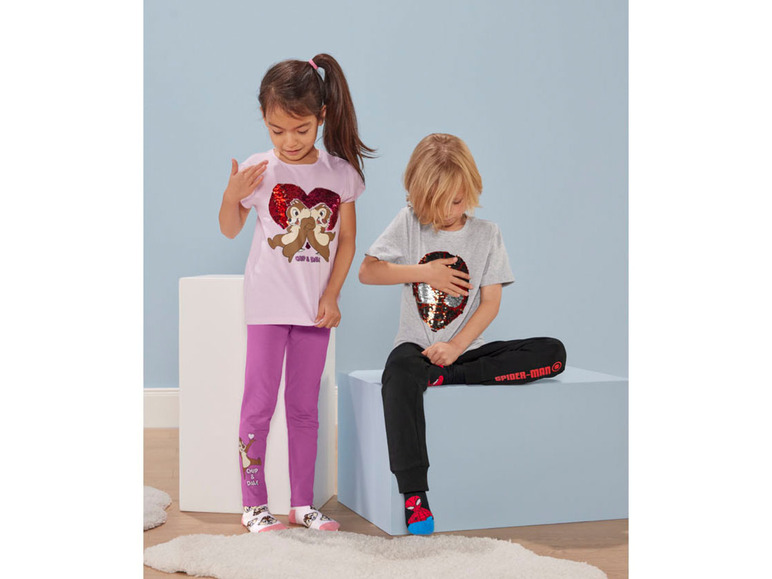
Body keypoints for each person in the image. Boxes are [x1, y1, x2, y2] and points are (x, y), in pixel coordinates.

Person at [358, 133, 566, 535]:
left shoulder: (488, 234)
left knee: (553, 353)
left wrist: (455, 347)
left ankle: (446, 375)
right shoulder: (409, 223)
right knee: (397, 373)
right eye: (437, 205)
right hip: (418, 350)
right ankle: (415, 494)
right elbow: (368, 271)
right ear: (418, 198)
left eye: (456, 202)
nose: (448, 213)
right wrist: (425, 272)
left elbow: (490, 302)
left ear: (470, 190)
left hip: (466, 351)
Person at [219, 53, 374, 533]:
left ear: (321, 116)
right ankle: (253, 505)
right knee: (258, 406)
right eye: (276, 130)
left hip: (313, 311)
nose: (288, 141)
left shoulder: (340, 174)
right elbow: (229, 228)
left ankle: (302, 505)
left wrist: (332, 295)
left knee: (305, 408)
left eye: (301, 129)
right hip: (267, 307)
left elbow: (347, 241)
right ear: (264, 120)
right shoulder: (258, 169)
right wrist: (231, 194)